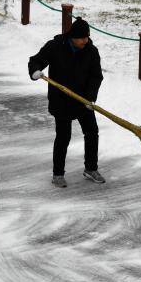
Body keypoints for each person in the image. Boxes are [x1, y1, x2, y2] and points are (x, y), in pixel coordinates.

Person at [28, 17, 106, 188]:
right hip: (61, 100)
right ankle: (58, 174)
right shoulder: (55, 47)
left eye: (87, 37)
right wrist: (35, 71)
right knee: (64, 137)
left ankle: (91, 168)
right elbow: (36, 60)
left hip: (82, 100)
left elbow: (96, 76)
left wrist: (90, 97)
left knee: (92, 132)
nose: (85, 41)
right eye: (82, 38)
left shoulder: (91, 51)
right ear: (73, 37)